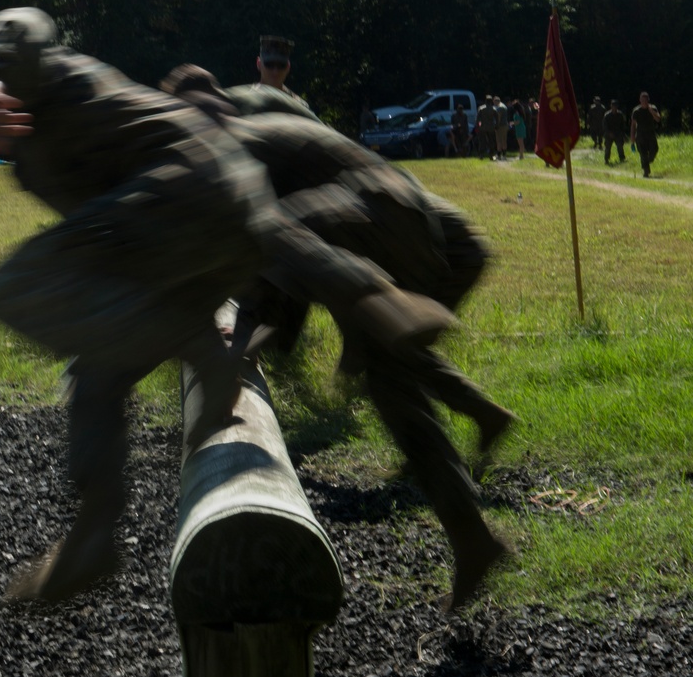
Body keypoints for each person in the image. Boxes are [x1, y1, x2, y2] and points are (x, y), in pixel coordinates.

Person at [0, 13, 454, 607]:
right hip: (191, 235)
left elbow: (24, 25)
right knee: (96, 368)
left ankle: (198, 347)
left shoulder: (23, 75)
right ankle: (93, 533)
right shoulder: (27, 153)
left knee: (8, 288)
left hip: (192, 197)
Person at [161, 65, 512, 610]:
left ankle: (473, 536)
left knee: (390, 379)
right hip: (394, 220)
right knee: (392, 387)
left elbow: (272, 256)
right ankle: (473, 535)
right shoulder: (261, 120)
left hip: (375, 223)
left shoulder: (236, 145)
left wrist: (234, 351)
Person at [631, 91, 661, 177]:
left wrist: (652, 112)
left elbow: (658, 119)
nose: (644, 101)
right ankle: (646, 171)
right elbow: (633, 125)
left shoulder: (653, 108)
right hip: (640, 136)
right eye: (642, 99)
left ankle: (648, 162)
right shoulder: (636, 111)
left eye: (646, 100)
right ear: (640, 100)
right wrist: (632, 138)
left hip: (651, 135)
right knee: (643, 154)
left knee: (654, 150)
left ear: (648, 100)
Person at [603, 100, 626, 165]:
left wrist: (622, 134)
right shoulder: (607, 115)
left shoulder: (620, 115)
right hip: (609, 134)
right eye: (613, 106)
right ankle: (606, 159)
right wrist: (609, 133)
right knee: (607, 148)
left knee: (620, 147)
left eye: (615, 106)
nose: (614, 108)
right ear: (611, 106)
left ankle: (622, 158)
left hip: (618, 134)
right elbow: (605, 126)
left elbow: (622, 125)